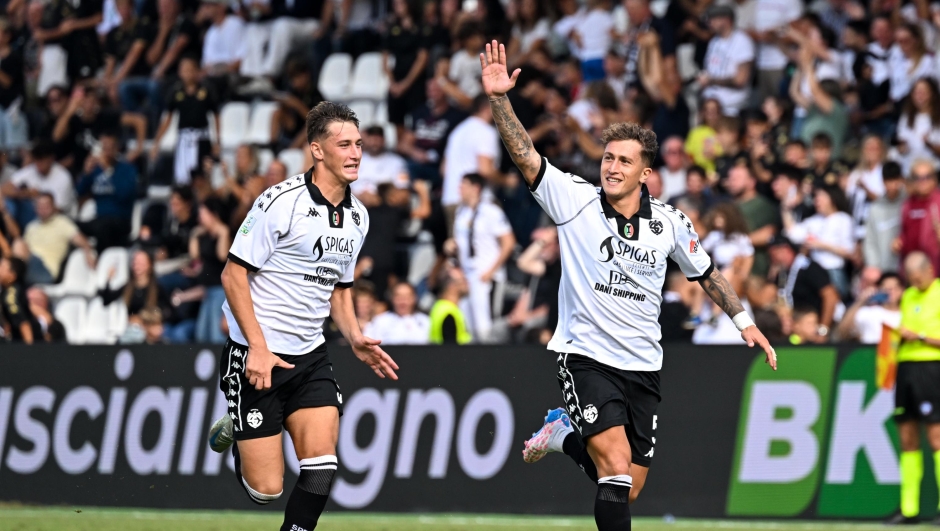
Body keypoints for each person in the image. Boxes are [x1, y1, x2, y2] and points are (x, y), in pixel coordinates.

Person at [478, 40, 775, 530]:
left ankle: (560, 435)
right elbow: (526, 154)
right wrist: (498, 100)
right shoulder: (573, 199)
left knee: (628, 486)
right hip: (587, 356)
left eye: (623, 161)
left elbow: (707, 273)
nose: (611, 167)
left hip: (644, 364)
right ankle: (567, 431)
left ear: (646, 173)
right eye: (608, 157)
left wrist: (745, 322)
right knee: (615, 471)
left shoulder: (671, 222)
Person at [206, 102, 398, 531]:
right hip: (256, 357)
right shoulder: (281, 202)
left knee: (322, 468)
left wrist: (354, 336)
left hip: (310, 356)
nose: (355, 154)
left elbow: (339, 289)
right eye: (343, 144)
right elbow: (233, 274)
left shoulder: (358, 217)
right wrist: (256, 347)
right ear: (317, 150)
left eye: (359, 144)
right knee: (266, 490)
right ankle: (238, 429)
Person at [888, 251, 940, 526]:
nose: (915, 282)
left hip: (932, 367)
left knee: (937, 437)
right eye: (911, 278)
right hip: (905, 367)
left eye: (918, 277)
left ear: (929, 270)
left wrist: (919, 336)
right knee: (907, 438)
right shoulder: (908, 295)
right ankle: (909, 508)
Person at [452, 173, 515, 342]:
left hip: (486, 275)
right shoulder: (461, 213)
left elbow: (508, 242)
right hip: (467, 276)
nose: (460, 189)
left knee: (486, 327)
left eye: (464, 185)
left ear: (476, 188)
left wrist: (491, 271)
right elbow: (462, 244)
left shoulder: (491, 211)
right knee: (470, 326)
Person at [152, 56, 221, 186]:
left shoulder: (206, 91)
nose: (186, 73)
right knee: (182, 177)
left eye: (190, 70)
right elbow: (168, 118)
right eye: (183, 70)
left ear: (196, 71)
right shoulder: (176, 92)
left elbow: (216, 116)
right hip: (184, 138)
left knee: (201, 176)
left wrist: (217, 141)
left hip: (202, 138)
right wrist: (157, 141)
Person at [441, 95, 501, 229]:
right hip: (476, 202)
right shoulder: (485, 131)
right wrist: (507, 181)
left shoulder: (457, 131)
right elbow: (485, 170)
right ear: (487, 108)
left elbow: (444, 169)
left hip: (450, 199)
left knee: (457, 247)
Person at [783, 185, 854, 297]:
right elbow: (793, 233)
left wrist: (821, 245)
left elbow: (849, 252)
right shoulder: (814, 220)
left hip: (833, 270)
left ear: (832, 198)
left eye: (820, 197)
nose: (816, 201)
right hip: (814, 271)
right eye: (815, 198)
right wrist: (785, 209)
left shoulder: (843, 219)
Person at [75, 130, 139, 253]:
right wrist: (86, 173)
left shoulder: (128, 169)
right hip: (99, 218)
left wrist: (108, 171)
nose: (107, 151)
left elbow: (124, 195)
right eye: (104, 147)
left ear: (117, 148)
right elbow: (79, 192)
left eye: (110, 147)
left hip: (121, 219)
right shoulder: (96, 169)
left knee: (102, 227)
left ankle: (102, 263)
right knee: (70, 226)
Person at [767, 235, 839, 339]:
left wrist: (823, 329)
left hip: (815, 326)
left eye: (774, 253)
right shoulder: (782, 273)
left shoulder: (809, 268)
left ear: (786, 250)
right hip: (797, 329)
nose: (772, 257)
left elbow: (831, 296)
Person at [15, 193, 95, 285]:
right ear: (35, 208)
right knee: (11, 254)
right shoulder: (31, 226)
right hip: (28, 266)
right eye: (40, 206)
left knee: (18, 244)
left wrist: (88, 252)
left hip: (45, 271)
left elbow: (83, 241)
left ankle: (14, 278)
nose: (43, 209)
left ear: (54, 206)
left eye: (46, 205)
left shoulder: (63, 223)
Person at [2, 142, 74, 229]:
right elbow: (4, 189)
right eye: (36, 159)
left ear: (51, 159)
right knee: (9, 202)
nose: (38, 163)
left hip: (56, 219)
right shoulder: (31, 170)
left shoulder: (63, 177)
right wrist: (25, 194)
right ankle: (10, 236)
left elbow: (58, 210)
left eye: (42, 159)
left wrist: (38, 197)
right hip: (30, 216)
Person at [699, 5, 754, 117]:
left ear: (727, 20)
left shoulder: (742, 41)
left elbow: (740, 80)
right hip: (710, 104)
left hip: (731, 108)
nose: (710, 22)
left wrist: (711, 81)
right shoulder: (714, 41)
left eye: (713, 19)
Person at [895, 160, 940, 276]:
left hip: (933, 268)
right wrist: (899, 241)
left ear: (934, 179)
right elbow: (904, 231)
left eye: (927, 177)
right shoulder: (907, 204)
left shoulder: (938, 201)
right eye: (917, 177)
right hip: (911, 269)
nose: (922, 182)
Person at [836, 272, 903, 344]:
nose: (891, 292)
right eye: (887, 289)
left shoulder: (908, 313)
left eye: (895, 288)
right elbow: (843, 331)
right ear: (880, 290)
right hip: (870, 353)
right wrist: (861, 300)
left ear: (902, 290)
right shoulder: (869, 312)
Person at [864, 162, 904, 273]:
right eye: (888, 181)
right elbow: (870, 240)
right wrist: (873, 265)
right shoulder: (875, 207)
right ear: (882, 181)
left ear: (901, 180)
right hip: (882, 270)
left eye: (895, 180)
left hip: (905, 268)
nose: (892, 185)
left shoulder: (908, 203)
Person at [363, 282, 430, 345]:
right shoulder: (380, 321)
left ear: (414, 298)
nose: (403, 302)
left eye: (407, 297)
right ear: (392, 298)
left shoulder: (426, 321)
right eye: (399, 297)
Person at [0, 256, 40, 344]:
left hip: (25, 345)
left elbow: (23, 323)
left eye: (2, 266)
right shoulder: (10, 290)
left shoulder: (11, 296)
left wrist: (29, 351)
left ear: (12, 275)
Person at [428, 265, 472, 345]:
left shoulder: (440, 307)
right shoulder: (448, 313)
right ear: (451, 286)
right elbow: (450, 349)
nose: (468, 284)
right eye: (463, 280)